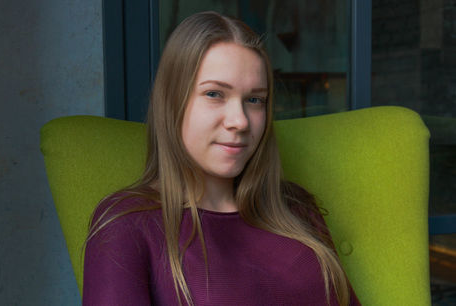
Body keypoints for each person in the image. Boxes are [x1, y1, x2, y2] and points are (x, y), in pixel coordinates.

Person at [83, 11, 361, 306]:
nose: (240, 121)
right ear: (172, 102)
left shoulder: (295, 207)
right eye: (215, 94)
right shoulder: (126, 223)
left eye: (255, 100)